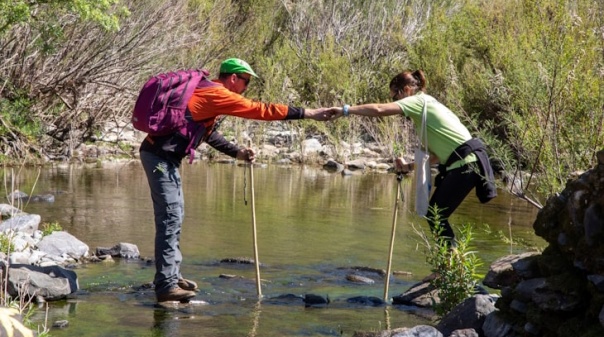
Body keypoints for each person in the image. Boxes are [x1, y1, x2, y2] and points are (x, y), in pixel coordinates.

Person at [139, 58, 334, 303]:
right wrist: (308, 113)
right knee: (170, 216)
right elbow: (260, 110)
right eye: (246, 82)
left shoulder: (207, 91)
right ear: (234, 77)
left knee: (175, 215)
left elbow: (208, 134)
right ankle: (166, 285)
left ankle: (172, 275)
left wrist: (237, 152)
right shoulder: (218, 94)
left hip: (163, 157)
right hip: (159, 157)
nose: (246, 88)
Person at [330, 69, 497, 246]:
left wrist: (345, 110)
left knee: (436, 215)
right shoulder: (426, 107)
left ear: (407, 89)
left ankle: (451, 267)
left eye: (395, 97)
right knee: (436, 214)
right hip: (466, 161)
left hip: (467, 163)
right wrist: (409, 167)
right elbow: (435, 156)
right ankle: (450, 266)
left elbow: (379, 109)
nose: (395, 102)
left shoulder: (418, 101)